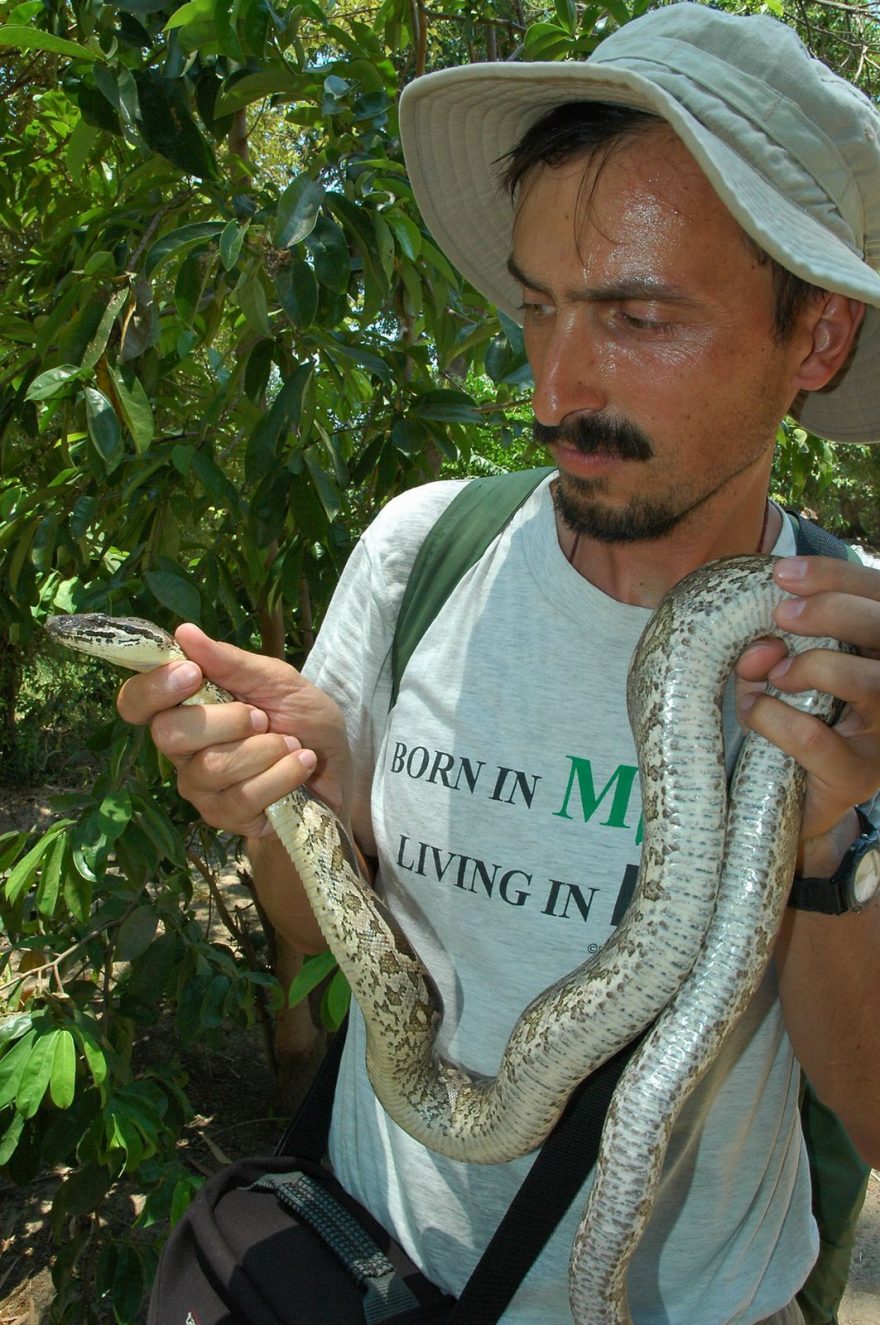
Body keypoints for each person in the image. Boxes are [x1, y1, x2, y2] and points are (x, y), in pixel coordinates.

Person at [119, 6, 880, 1322]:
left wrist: (831, 851)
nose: (551, 388)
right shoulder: (423, 553)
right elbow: (315, 945)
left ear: (812, 338)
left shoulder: (851, 660)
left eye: (637, 314)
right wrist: (305, 797)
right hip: (358, 1257)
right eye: (538, 307)